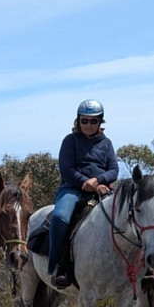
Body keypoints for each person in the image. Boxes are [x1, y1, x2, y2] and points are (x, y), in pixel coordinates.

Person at [47, 100, 119, 288]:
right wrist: (85, 183)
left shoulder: (106, 143)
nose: (88, 125)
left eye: (93, 121)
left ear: (100, 122)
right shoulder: (70, 141)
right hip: (72, 188)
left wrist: (98, 181)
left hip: (101, 188)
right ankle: (58, 266)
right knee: (61, 217)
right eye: (84, 121)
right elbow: (66, 169)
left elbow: (114, 170)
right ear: (78, 121)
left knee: (130, 214)